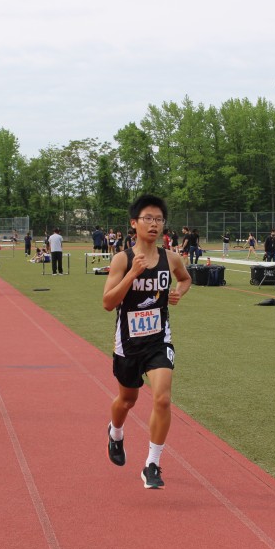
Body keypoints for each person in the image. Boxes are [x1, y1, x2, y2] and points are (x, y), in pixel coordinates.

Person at [103, 194, 191, 490]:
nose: (154, 224)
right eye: (148, 219)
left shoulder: (171, 258)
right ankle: (115, 432)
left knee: (162, 398)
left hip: (158, 341)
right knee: (127, 400)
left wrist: (179, 292)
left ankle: (152, 464)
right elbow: (108, 302)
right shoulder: (123, 259)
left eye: (159, 219)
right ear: (134, 223)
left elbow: (185, 279)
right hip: (128, 344)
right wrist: (132, 274)